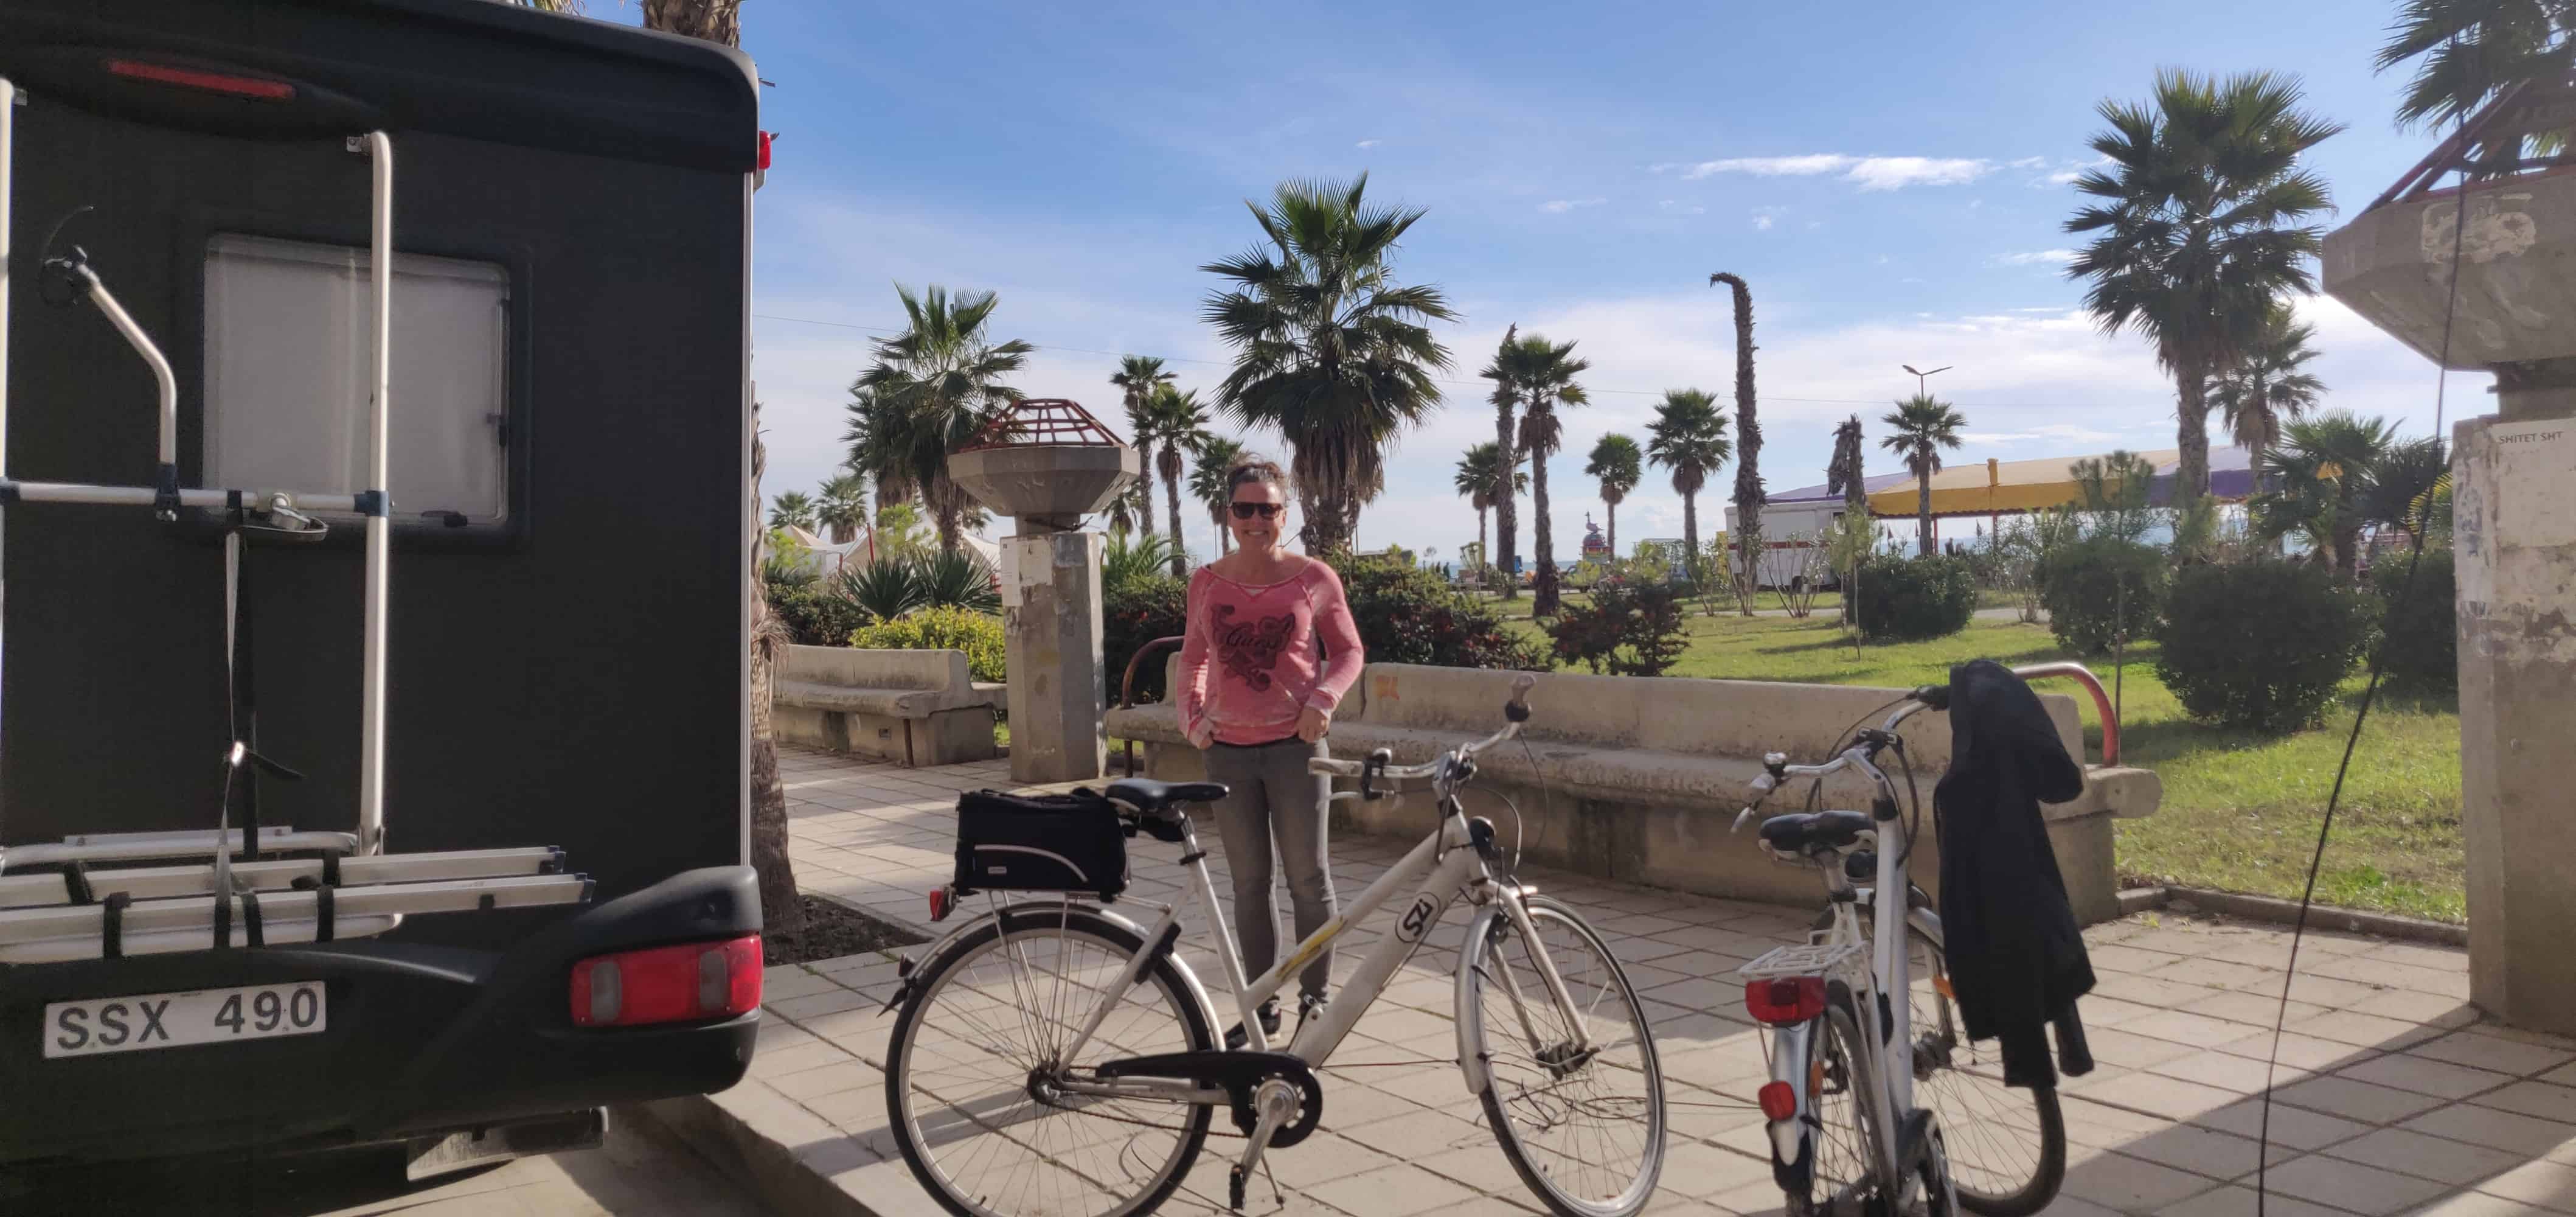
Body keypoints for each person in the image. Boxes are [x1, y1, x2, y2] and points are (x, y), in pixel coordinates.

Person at [1176, 458, 1363, 1044]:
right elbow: (1193, 658)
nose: (1257, 519)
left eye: (1269, 509)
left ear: (1285, 515)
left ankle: (1314, 1000)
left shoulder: (1313, 577)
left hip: (1297, 750)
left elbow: (1349, 653)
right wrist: (1193, 720)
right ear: (1228, 515)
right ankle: (1260, 1005)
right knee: (1249, 884)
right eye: (1245, 508)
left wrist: (1323, 701)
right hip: (1227, 753)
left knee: (1309, 880)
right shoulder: (1207, 582)